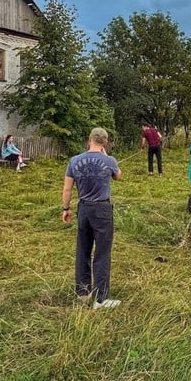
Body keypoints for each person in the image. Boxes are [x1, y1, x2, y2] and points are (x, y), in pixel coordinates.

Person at [62, 127, 122, 308]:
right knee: (102, 253)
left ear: (89, 139)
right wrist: (106, 156)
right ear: (105, 142)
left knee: (83, 250)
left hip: (83, 208)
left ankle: (83, 292)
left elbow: (67, 188)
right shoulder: (109, 160)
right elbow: (118, 176)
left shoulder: (74, 160)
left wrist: (66, 208)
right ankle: (100, 299)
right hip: (102, 209)